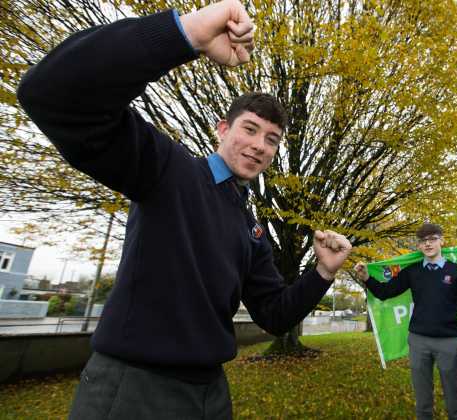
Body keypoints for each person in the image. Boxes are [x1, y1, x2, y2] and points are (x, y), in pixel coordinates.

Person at [17, 1, 352, 418]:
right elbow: (51, 93)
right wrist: (186, 34)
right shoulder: (168, 169)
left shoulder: (250, 225)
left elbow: (274, 315)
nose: (259, 146)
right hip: (136, 389)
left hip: (211, 392)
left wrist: (323, 272)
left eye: (271, 139)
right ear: (223, 129)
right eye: (250, 129)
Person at [355, 223, 457, 420]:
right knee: (423, 399)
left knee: (454, 398)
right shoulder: (412, 272)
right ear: (419, 246)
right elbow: (385, 292)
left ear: (441, 241)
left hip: (450, 342)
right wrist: (366, 278)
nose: (428, 244)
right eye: (423, 241)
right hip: (419, 342)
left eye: (432, 239)